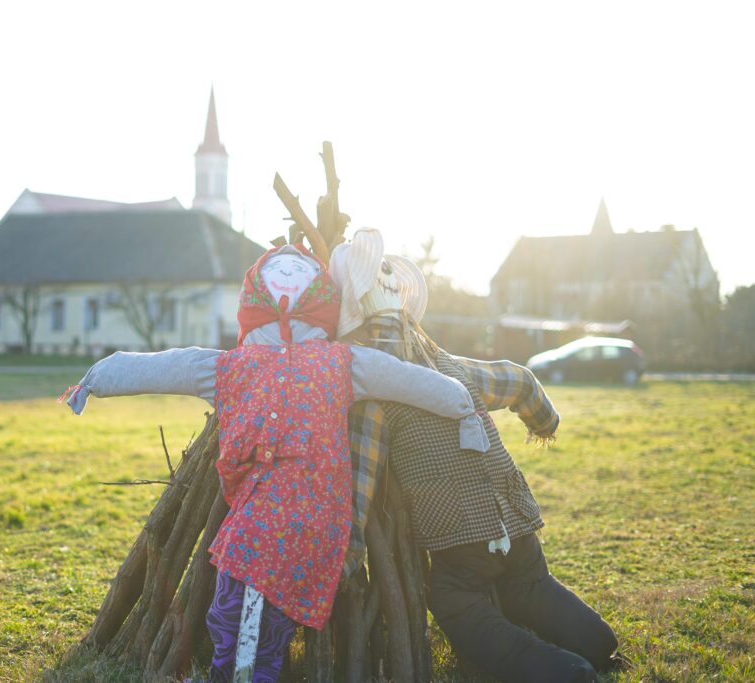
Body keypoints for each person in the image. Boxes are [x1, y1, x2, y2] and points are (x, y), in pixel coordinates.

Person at [64, 243, 488, 682]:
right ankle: (236, 674)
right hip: (259, 512)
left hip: (305, 514)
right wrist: (98, 379)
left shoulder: (340, 364)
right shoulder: (234, 367)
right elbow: (169, 367)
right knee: (236, 609)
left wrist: (460, 405)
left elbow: (405, 380)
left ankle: (241, 676)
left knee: (248, 613)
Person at [331, 229, 623, 683]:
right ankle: (599, 646)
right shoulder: (449, 363)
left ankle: (561, 673)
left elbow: (362, 473)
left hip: (459, 529)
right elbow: (520, 380)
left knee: (453, 600)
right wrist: (543, 423)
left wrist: (348, 548)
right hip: (514, 513)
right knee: (529, 584)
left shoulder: (374, 386)